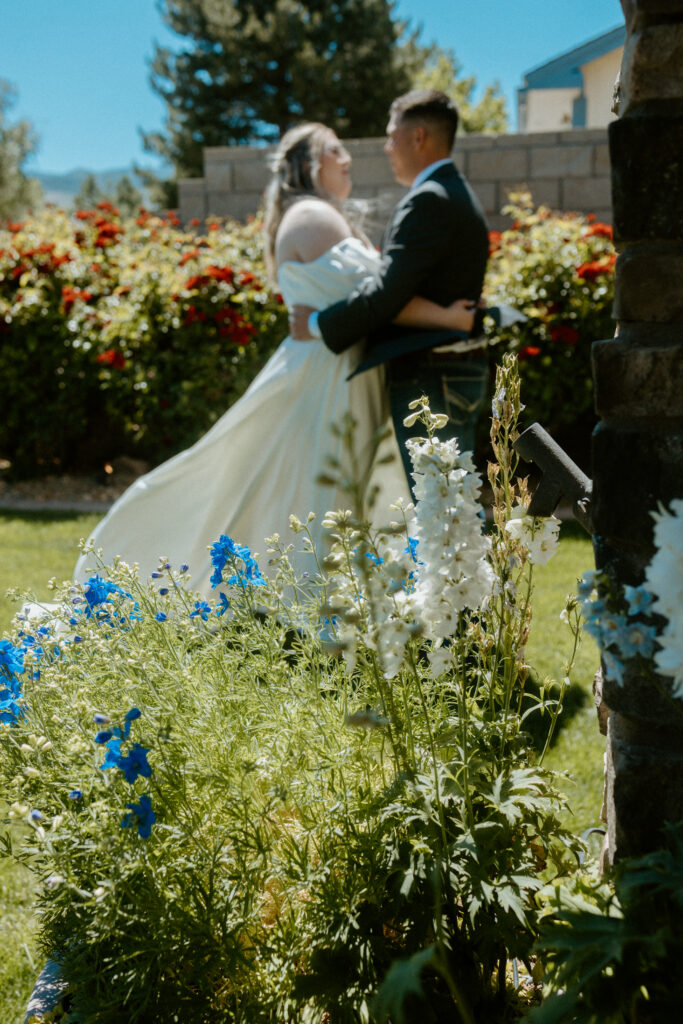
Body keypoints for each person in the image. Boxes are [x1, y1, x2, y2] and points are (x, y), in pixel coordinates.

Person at [73, 122, 475, 598]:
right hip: (322, 379)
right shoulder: (312, 215)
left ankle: (318, 612)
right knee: (308, 493)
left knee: (309, 494)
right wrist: (446, 316)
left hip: (340, 371)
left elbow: (374, 300)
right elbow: (377, 297)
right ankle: (306, 614)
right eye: (335, 149)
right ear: (309, 164)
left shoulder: (321, 215)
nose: (348, 157)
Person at [290, 90, 490, 486]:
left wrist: (314, 324)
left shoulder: (429, 200)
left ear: (418, 137)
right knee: (453, 502)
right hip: (454, 368)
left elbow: (387, 294)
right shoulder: (455, 192)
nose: (386, 147)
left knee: (443, 507)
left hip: (431, 373)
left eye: (392, 136)